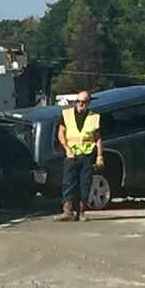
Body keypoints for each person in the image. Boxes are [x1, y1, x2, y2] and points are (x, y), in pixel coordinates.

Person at [56, 90, 104, 221]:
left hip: (87, 155)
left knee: (85, 183)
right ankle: (68, 211)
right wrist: (67, 149)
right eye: (78, 101)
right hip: (71, 154)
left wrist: (100, 156)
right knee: (68, 182)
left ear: (88, 103)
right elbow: (61, 134)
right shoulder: (66, 115)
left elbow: (97, 138)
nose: (80, 104)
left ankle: (81, 211)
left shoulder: (94, 117)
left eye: (83, 102)